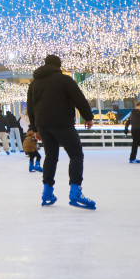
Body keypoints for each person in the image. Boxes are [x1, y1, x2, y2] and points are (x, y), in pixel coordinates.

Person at [27, 55, 96, 209]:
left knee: (51, 157)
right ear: (59, 66)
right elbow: (79, 98)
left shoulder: (34, 84)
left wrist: (35, 128)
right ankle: (75, 191)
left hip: (43, 125)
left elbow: (30, 108)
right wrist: (88, 117)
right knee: (76, 154)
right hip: (62, 122)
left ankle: (47, 191)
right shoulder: (64, 79)